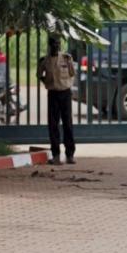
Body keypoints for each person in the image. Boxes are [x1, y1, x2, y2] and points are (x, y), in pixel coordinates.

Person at [37, 36, 76, 165]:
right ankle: (56, 155)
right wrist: (47, 82)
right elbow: (39, 75)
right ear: (49, 45)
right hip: (53, 94)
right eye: (54, 43)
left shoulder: (66, 58)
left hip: (65, 93)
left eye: (58, 43)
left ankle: (70, 155)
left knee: (67, 124)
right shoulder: (44, 61)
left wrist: (66, 84)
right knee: (53, 125)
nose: (56, 46)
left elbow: (72, 73)